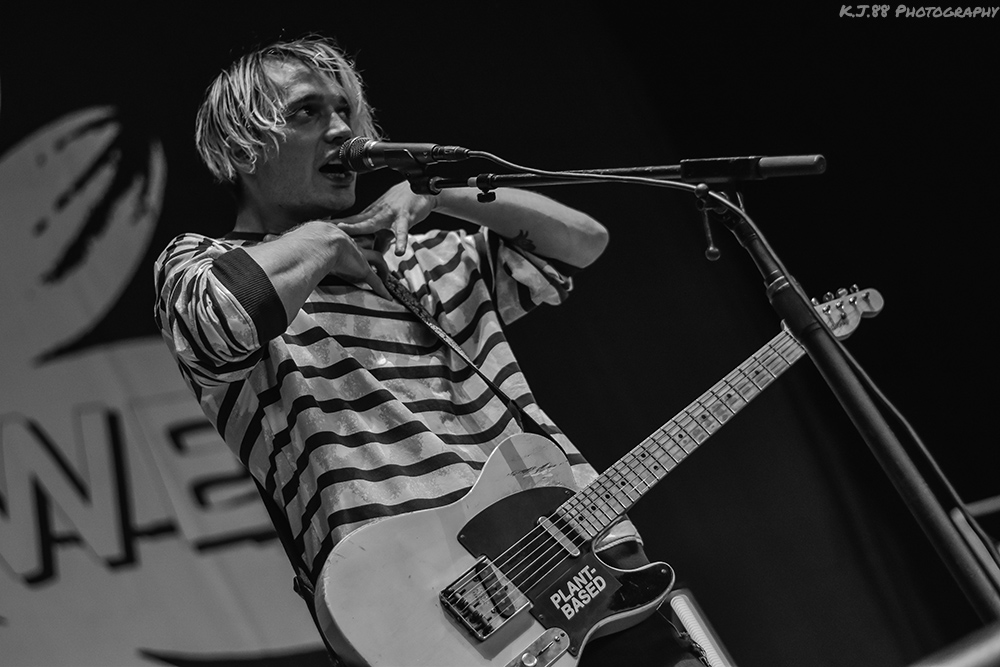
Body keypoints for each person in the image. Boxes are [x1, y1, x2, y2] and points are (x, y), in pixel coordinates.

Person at [154, 35, 705, 666]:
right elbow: (215, 324)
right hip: (441, 618)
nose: (340, 130)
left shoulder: (426, 254)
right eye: (307, 112)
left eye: (344, 111)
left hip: (587, 561)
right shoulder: (204, 264)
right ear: (241, 147)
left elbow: (580, 243)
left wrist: (437, 194)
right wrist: (325, 241)